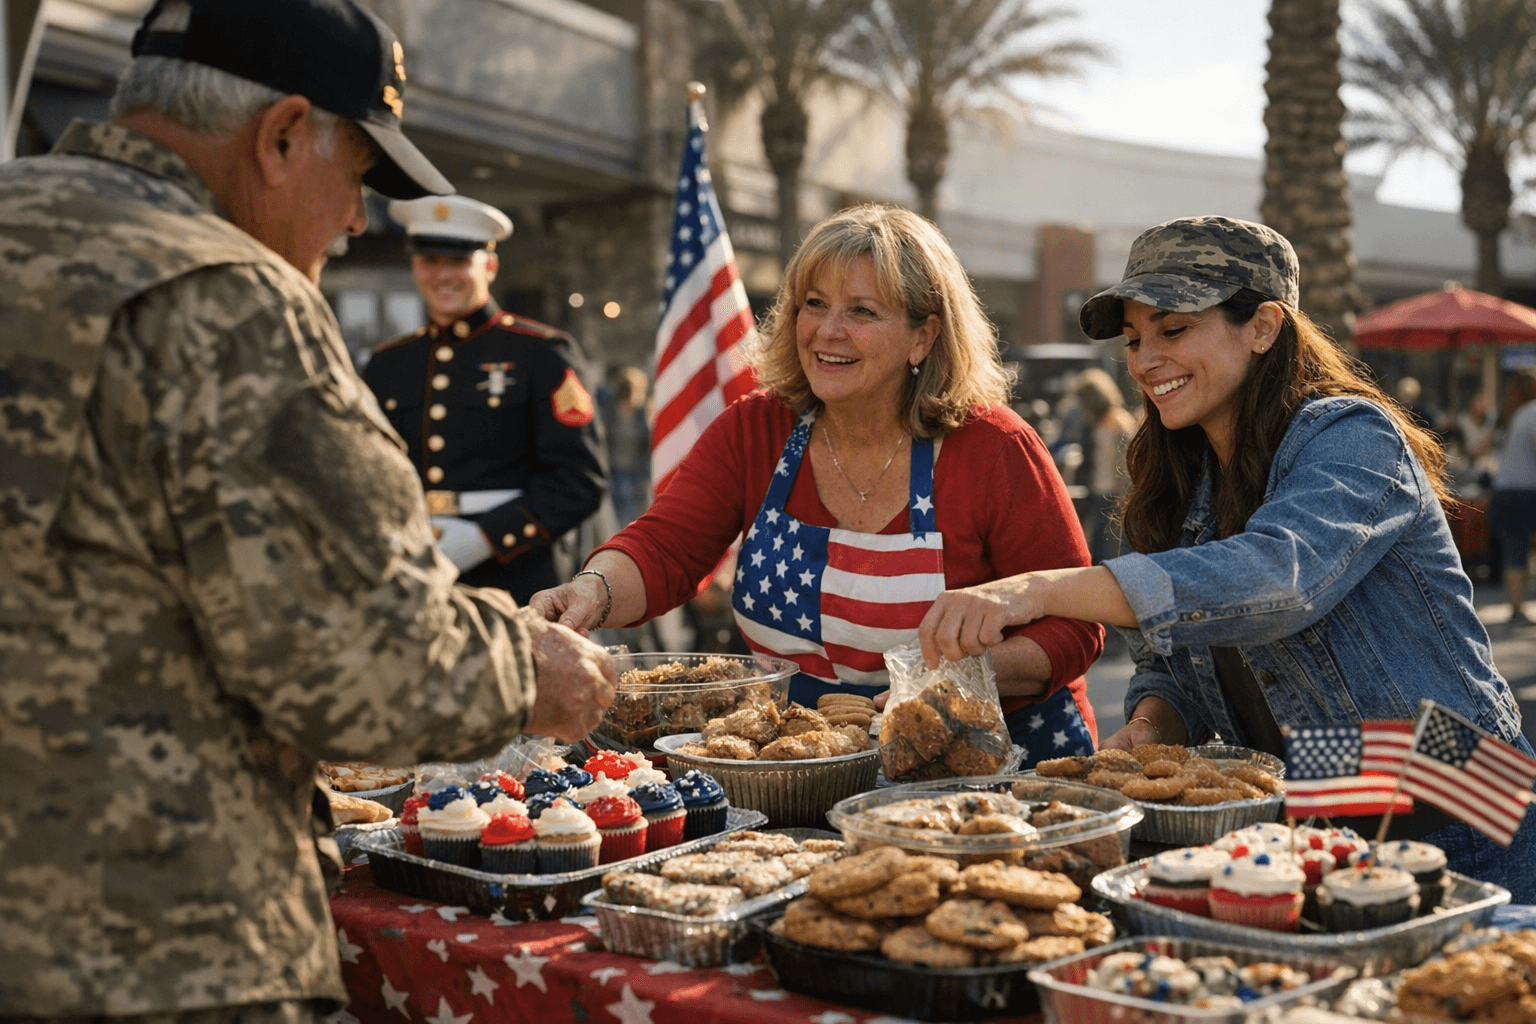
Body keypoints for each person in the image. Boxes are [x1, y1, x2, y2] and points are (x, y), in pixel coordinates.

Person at [0, 1, 616, 1020]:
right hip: (158, 953)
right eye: (362, 178)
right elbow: (366, 664)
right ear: (282, 135)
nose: (362, 221)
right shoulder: (230, 297)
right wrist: (526, 670)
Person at [918, 215, 1535, 900]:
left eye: (1173, 329)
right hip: (1316, 827)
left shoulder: (1355, 435)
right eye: (1134, 339)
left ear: (1264, 326)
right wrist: (1150, 726)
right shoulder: (1181, 479)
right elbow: (1170, 666)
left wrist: (1033, 591)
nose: (1146, 359)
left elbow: (1278, 579)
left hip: (1463, 814)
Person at [531, 205, 1104, 757]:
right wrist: (591, 590)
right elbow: (664, 548)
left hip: (989, 756)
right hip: (800, 757)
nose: (827, 331)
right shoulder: (757, 427)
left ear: (923, 337)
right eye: (814, 304)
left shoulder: (996, 448)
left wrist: (968, 673)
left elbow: (1075, 623)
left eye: (861, 312)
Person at [363, 193, 606, 605]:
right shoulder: (388, 364)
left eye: (457, 261)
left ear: (489, 266)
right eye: (429, 261)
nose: (442, 275)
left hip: (516, 579)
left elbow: (578, 481)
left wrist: (485, 538)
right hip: (413, 575)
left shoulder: (541, 352)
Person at [1073, 367, 1138, 562]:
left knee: (1108, 550)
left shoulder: (1118, 421)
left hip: (1114, 495)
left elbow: (1127, 463)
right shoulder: (1097, 422)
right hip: (1099, 491)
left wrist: (1123, 497)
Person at [1487, 369, 1536, 624]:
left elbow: (1484, 447)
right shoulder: (1533, 413)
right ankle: (1519, 607)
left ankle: (1516, 607)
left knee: (1514, 547)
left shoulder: (1506, 415)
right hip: (1527, 489)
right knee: (1521, 547)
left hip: (1504, 489)